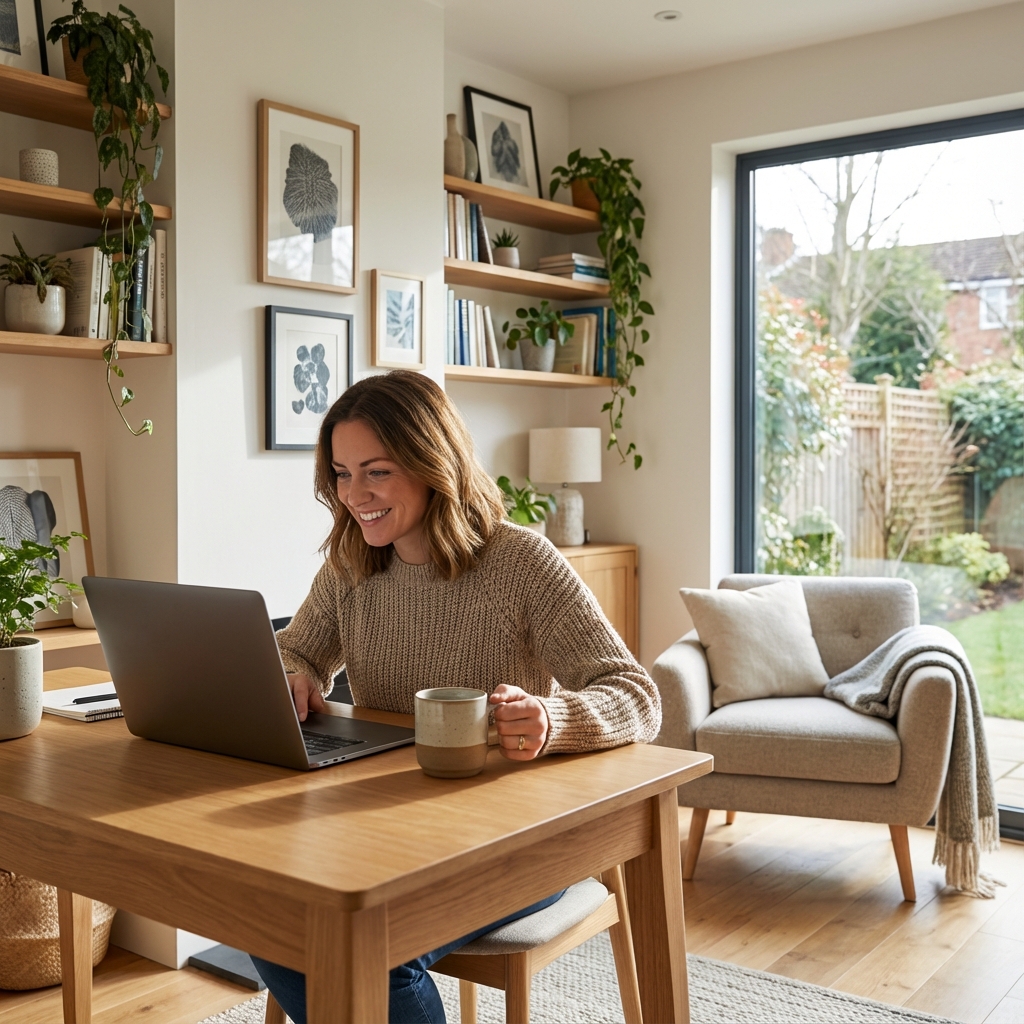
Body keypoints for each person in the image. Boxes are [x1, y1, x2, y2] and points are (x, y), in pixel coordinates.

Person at [250, 370, 660, 1024]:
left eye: (376, 472)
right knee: (266, 915)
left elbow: (636, 695)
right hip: (386, 826)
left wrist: (551, 719)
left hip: (511, 839)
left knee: (375, 954)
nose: (355, 495)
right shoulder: (352, 565)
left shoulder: (520, 561)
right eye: (341, 473)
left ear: (431, 462)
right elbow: (297, 647)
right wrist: (294, 672)